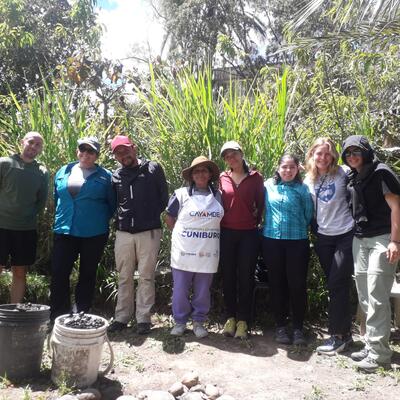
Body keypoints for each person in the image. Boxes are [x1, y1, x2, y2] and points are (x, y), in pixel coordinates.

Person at [341, 135, 400, 372]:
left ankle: (379, 354)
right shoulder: (354, 177)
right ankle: (371, 344)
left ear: (366, 151)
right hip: (360, 238)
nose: (352, 156)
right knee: (365, 293)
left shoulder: (381, 172)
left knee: (377, 293)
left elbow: (396, 207)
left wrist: (395, 241)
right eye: (348, 153)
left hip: (383, 239)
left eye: (356, 152)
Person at [50, 137, 115, 321]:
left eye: (91, 151)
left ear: (96, 155)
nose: (86, 154)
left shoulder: (105, 176)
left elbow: (112, 204)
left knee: (87, 273)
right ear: (77, 151)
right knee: (59, 273)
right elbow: (58, 198)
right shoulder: (64, 171)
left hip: (94, 233)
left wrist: (95, 219)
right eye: (82, 149)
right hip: (64, 230)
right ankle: (58, 314)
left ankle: (81, 311)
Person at [108, 135, 168, 334]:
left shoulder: (153, 168)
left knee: (146, 276)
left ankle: (143, 318)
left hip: (149, 231)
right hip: (124, 233)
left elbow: (163, 198)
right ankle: (122, 317)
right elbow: (113, 203)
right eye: (118, 152)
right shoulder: (116, 176)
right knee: (123, 276)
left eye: (125, 149)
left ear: (133, 147)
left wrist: (148, 217)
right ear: (115, 157)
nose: (123, 154)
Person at [304, 138, 354, 355]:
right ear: (312, 155)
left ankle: (337, 336)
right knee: (336, 285)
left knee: (337, 283)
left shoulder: (343, 172)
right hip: (323, 238)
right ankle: (346, 333)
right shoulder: (308, 179)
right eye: (319, 153)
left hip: (346, 234)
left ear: (333, 155)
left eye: (327, 153)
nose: (323, 157)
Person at [165, 156, 223, 338]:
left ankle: (199, 322)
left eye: (204, 170)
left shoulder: (218, 195)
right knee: (180, 289)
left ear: (210, 174)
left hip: (208, 251)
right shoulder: (180, 193)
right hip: (184, 251)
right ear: (191, 175)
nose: (200, 174)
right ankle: (180, 321)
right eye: (196, 171)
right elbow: (169, 217)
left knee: (203, 290)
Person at [262, 154, 313, 345]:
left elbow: (308, 215)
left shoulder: (303, 189)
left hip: (297, 242)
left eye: (292, 167)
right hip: (272, 241)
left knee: (297, 285)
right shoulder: (268, 186)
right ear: (278, 168)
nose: (288, 171)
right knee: (277, 284)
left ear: (297, 169)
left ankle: (298, 328)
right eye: (284, 167)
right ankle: (280, 327)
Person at [219, 141, 264, 339]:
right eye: (227, 156)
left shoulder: (255, 177)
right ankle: (230, 317)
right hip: (226, 233)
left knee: (246, 276)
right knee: (228, 275)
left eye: (234, 153)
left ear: (241, 153)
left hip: (249, 234)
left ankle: (244, 320)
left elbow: (261, 205)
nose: (231, 158)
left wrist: (254, 219)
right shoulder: (222, 177)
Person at [0, 131, 49, 303]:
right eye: (31, 142)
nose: (33, 147)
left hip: (25, 230)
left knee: (20, 272)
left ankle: (14, 311)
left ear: (41, 149)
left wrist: (27, 216)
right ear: (22, 142)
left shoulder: (42, 172)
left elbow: (41, 201)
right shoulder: (5, 163)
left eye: (38, 145)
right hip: (2, 226)